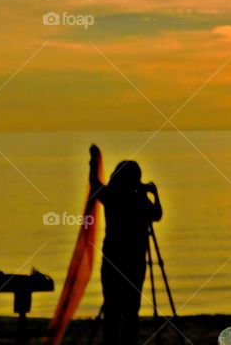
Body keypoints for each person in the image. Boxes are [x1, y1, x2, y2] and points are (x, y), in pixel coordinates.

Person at [89, 144, 162, 345]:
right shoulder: (139, 199)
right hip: (135, 263)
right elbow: (157, 214)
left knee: (112, 309)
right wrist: (155, 194)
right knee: (131, 311)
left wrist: (93, 162)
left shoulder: (112, 196)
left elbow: (95, 185)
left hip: (112, 260)